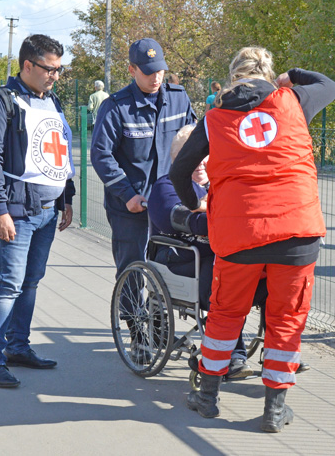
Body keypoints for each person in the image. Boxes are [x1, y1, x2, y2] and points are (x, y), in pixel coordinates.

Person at [170, 47, 335, 432]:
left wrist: (197, 202)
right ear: (269, 74)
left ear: (232, 78)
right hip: (297, 232)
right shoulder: (293, 100)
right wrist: (290, 76)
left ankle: (207, 397)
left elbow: (180, 171)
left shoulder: (213, 119)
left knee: (226, 315)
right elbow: (328, 84)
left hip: (239, 235)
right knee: (287, 318)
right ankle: (274, 410)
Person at [0, 34, 75, 388]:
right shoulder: (0, 102)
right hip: (16, 211)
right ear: (28, 65)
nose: (55, 76)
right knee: (9, 286)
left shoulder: (53, 102)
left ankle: (18, 347)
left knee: (30, 284)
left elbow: (59, 152)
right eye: (50, 69)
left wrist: (67, 198)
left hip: (48, 211)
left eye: (59, 70)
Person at [148, 125, 266, 378]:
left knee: (268, 276)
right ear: (177, 160)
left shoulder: (221, 184)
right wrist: (223, 218)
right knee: (227, 280)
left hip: (218, 258)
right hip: (181, 260)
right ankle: (233, 356)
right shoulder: (166, 186)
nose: (200, 163)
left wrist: (207, 209)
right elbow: (179, 218)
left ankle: (275, 350)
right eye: (191, 157)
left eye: (206, 155)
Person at [90, 38, 197, 279]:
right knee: (133, 269)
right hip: (131, 206)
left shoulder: (179, 98)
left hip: (170, 202)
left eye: (160, 70)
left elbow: (193, 140)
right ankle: (131, 316)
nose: (156, 77)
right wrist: (128, 195)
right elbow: (100, 154)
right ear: (132, 69)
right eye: (148, 72)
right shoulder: (117, 107)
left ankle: (158, 316)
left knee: (170, 269)